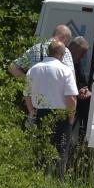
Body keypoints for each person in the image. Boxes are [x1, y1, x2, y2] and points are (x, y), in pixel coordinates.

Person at [25, 39, 79, 178]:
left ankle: (37, 179)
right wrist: (70, 119)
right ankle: (57, 181)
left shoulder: (33, 70)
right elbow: (71, 98)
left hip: (40, 113)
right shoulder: (65, 71)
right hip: (61, 116)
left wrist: (32, 112)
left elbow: (27, 95)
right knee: (60, 151)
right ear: (62, 55)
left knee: (40, 150)